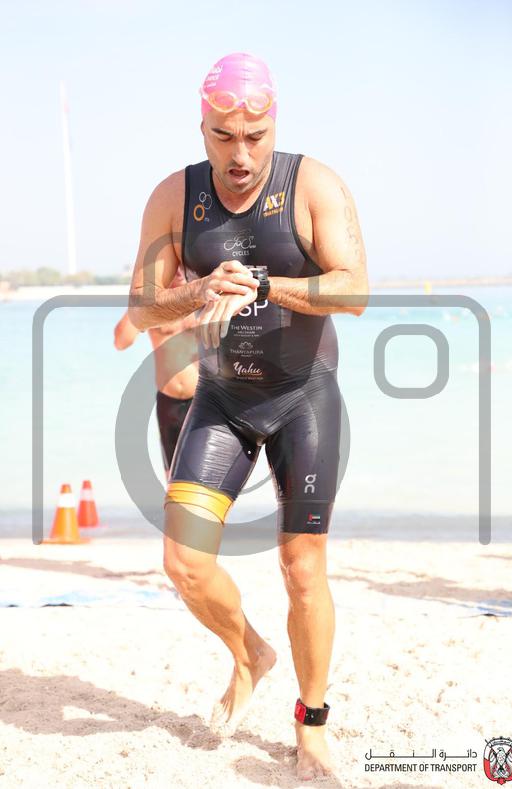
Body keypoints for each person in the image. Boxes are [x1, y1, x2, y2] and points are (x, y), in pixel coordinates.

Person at [128, 52, 368, 781]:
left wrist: (263, 283)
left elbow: (355, 290)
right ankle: (250, 654)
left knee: (302, 568)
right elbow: (142, 306)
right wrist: (199, 290)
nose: (240, 155)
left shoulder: (312, 184)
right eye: (223, 136)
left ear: (274, 126)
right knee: (185, 563)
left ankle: (312, 722)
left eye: (255, 137)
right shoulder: (174, 197)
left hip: (303, 397)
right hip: (223, 401)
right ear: (202, 128)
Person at [114, 268, 199, 477]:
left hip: (203, 400)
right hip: (168, 402)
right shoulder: (153, 305)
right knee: (173, 476)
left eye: (181, 264)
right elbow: (121, 341)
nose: (177, 270)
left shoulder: (202, 297)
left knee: (206, 474)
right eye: (173, 264)